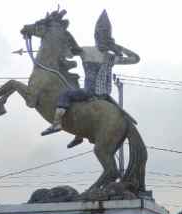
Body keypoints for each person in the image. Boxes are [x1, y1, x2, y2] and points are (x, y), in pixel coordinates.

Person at [40, 9, 140, 148]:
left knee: (66, 95)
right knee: (79, 104)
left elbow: (68, 53)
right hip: (104, 95)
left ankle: (57, 123)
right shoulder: (110, 57)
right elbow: (135, 58)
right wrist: (119, 48)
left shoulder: (88, 51)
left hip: (90, 92)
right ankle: (79, 134)